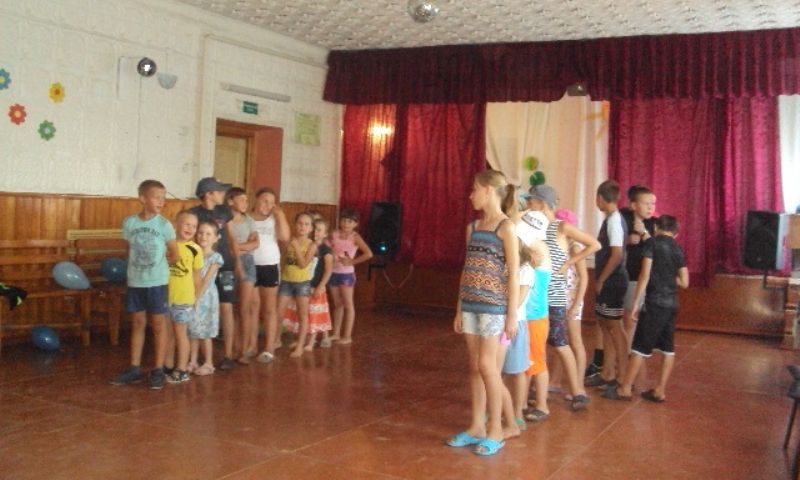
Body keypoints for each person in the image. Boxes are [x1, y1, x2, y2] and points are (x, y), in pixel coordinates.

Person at [446, 170, 519, 457]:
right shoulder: (474, 227)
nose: (470, 194)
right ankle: (477, 425)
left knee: (488, 366)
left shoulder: (506, 227)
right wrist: (459, 307)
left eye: (474, 189)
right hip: (471, 306)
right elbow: (467, 269)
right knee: (475, 367)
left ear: (489, 190)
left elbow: (513, 274)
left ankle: (496, 430)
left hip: (494, 308)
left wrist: (511, 315)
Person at [526, 185, 599, 411]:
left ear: (542, 203)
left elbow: (594, 244)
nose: (527, 205)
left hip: (555, 297)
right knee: (535, 344)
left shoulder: (561, 227)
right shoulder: (534, 227)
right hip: (535, 296)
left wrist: (569, 262)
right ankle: (533, 390)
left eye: (531, 201)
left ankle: (578, 391)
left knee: (559, 343)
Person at [602, 215, 688, 403]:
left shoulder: (652, 244)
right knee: (668, 349)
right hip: (672, 303)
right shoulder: (678, 249)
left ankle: (625, 388)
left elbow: (645, 274)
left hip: (654, 302)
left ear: (656, 227)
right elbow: (685, 282)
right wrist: (668, 276)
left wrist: (635, 303)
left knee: (640, 346)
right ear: (676, 232)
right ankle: (660, 390)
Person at [110, 180, 177, 390]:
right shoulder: (130, 223)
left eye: (163, 197)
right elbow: (128, 250)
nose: (161, 201)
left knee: (158, 325)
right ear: (143, 198)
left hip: (157, 282)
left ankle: (158, 369)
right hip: (136, 281)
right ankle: (134, 368)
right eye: (157, 197)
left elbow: (174, 254)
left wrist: (159, 267)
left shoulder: (164, 225)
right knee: (138, 323)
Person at [190, 177, 239, 371]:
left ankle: (228, 354)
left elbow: (231, 237)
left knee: (226, 307)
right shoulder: (194, 213)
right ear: (209, 194)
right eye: (219, 191)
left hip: (224, 264)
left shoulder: (224, 211)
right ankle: (196, 357)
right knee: (198, 307)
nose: (223, 195)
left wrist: (238, 262)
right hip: (201, 265)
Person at [586, 180, 630, 390]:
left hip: (613, 281)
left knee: (615, 327)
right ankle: (607, 373)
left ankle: (622, 377)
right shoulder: (610, 220)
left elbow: (617, 254)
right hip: (609, 280)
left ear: (600, 198)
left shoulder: (614, 220)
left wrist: (602, 279)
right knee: (605, 325)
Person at [549, 208, 590, 399]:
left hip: (572, 301)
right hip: (559, 298)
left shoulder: (575, 248)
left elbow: (584, 277)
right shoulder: (561, 247)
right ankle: (555, 381)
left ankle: (578, 385)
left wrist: (576, 304)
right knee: (560, 341)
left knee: (575, 342)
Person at [249, 188, 289, 364]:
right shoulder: (246, 218)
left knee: (269, 308)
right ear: (256, 199)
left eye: (272, 203)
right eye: (265, 201)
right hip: (250, 265)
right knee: (252, 307)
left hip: (270, 265)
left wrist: (280, 216)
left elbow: (285, 237)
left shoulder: (274, 219)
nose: (268, 205)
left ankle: (269, 347)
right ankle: (251, 345)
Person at [164, 210, 203, 384]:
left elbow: (197, 276)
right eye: (187, 224)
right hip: (166, 297)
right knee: (168, 333)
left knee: (181, 334)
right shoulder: (167, 245)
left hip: (184, 298)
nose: (190, 228)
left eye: (194, 226)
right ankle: (167, 365)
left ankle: (182, 369)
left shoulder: (195, 249)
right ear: (176, 224)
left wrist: (196, 297)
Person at [328, 208, 373, 345]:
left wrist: (352, 262)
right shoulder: (334, 234)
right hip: (333, 272)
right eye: (343, 220)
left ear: (355, 224)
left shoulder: (355, 237)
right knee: (337, 304)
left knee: (348, 304)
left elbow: (368, 254)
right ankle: (336, 333)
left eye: (349, 221)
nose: (346, 224)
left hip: (346, 274)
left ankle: (347, 336)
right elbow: (327, 248)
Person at [226, 187, 260, 365]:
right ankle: (233, 347)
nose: (245, 203)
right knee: (232, 308)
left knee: (244, 309)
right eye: (242, 200)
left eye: (247, 200)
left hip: (247, 263)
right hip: (229, 263)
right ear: (231, 201)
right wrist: (242, 246)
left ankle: (244, 349)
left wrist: (238, 247)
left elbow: (256, 243)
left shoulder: (249, 220)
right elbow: (227, 246)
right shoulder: (226, 221)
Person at [278, 212, 318, 358]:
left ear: (311, 228)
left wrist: (295, 247)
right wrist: (280, 274)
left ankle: (300, 346)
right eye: (300, 223)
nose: (302, 227)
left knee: (302, 315)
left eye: (306, 224)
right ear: (295, 225)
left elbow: (303, 264)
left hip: (302, 283)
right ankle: (276, 339)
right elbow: (283, 260)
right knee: (278, 312)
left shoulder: (312, 245)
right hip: (286, 281)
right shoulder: (289, 241)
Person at [188, 221, 224, 376]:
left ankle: (209, 363)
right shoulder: (193, 254)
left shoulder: (215, 257)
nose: (203, 236)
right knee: (193, 329)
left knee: (205, 332)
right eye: (201, 233)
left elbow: (206, 280)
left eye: (208, 234)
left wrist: (197, 297)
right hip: (192, 295)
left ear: (216, 238)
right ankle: (192, 361)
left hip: (206, 297)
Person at [305, 218, 334, 350]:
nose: (316, 232)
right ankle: (310, 338)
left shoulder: (326, 250)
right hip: (306, 285)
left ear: (325, 234)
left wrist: (321, 286)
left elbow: (328, 271)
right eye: (314, 229)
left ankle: (312, 341)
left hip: (317, 286)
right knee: (307, 313)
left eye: (319, 230)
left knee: (315, 314)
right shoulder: (308, 245)